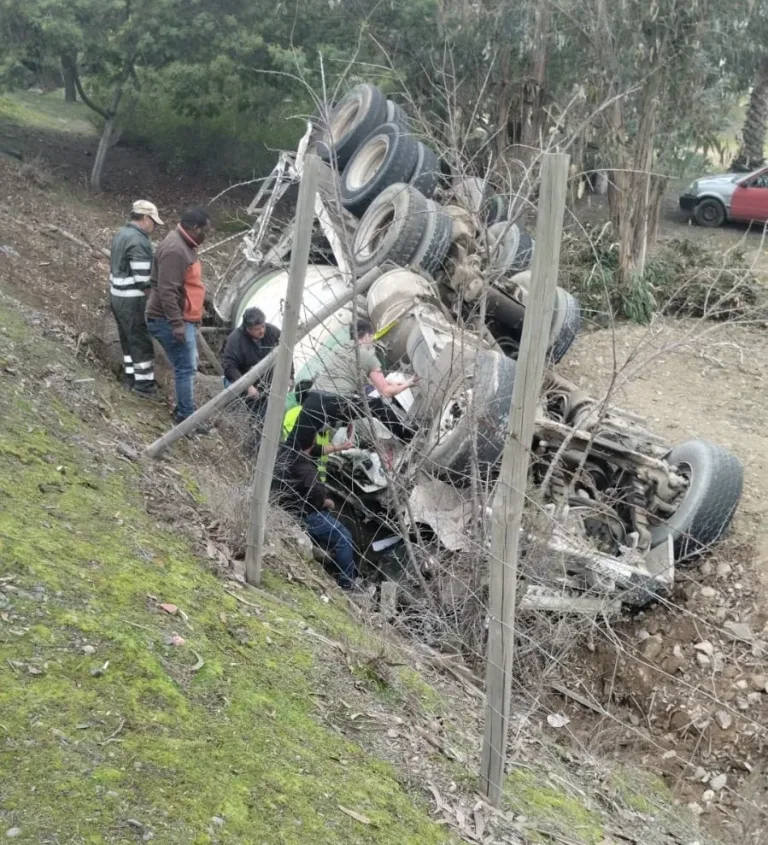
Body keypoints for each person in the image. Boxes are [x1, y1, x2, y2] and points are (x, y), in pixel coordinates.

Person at [290, 318, 418, 451]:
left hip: (313, 399)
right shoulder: (366, 356)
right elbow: (385, 391)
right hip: (335, 402)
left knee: (295, 445)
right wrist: (407, 385)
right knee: (378, 407)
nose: (372, 342)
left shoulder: (338, 348)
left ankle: (279, 463)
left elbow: (381, 382)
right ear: (368, 335)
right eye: (372, 338)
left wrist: (406, 382)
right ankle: (408, 438)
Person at [145, 207, 211, 424]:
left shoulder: (185, 245)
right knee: (185, 368)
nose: (206, 235)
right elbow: (167, 290)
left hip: (183, 319)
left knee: (187, 366)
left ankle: (186, 412)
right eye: (205, 230)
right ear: (194, 228)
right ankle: (186, 417)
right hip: (170, 320)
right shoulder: (176, 250)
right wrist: (177, 324)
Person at [273, 437, 357, 590]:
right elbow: (316, 498)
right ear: (309, 448)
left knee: (337, 529)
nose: (316, 449)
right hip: (310, 515)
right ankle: (347, 583)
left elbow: (317, 449)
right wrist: (328, 502)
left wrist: (341, 447)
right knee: (344, 538)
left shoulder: (288, 453)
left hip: (289, 508)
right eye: (313, 446)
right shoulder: (306, 472)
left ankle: (332, 562)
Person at [109, 200, 163, 396]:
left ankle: (130, 377)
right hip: (132, 299)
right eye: (154, 222)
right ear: (146, 218)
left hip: (116, 295)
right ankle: (145, 386)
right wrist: (154, 299)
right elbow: (142, 278)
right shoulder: (138, 240)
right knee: (140, 341)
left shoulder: (121, 234)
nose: (155, 227)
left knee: (127, 339)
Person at [221, 307, 293, 423]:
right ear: (248, 329)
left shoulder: (272, 332)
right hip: (246, 377)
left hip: (268, 379)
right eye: (257, 329)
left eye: (263, 326)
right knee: (259, 415)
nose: (262, 331)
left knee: (277, 412)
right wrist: (247, 386)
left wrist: (289, 375)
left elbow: (286, 353)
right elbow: (229, 367)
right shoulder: (235, 341)